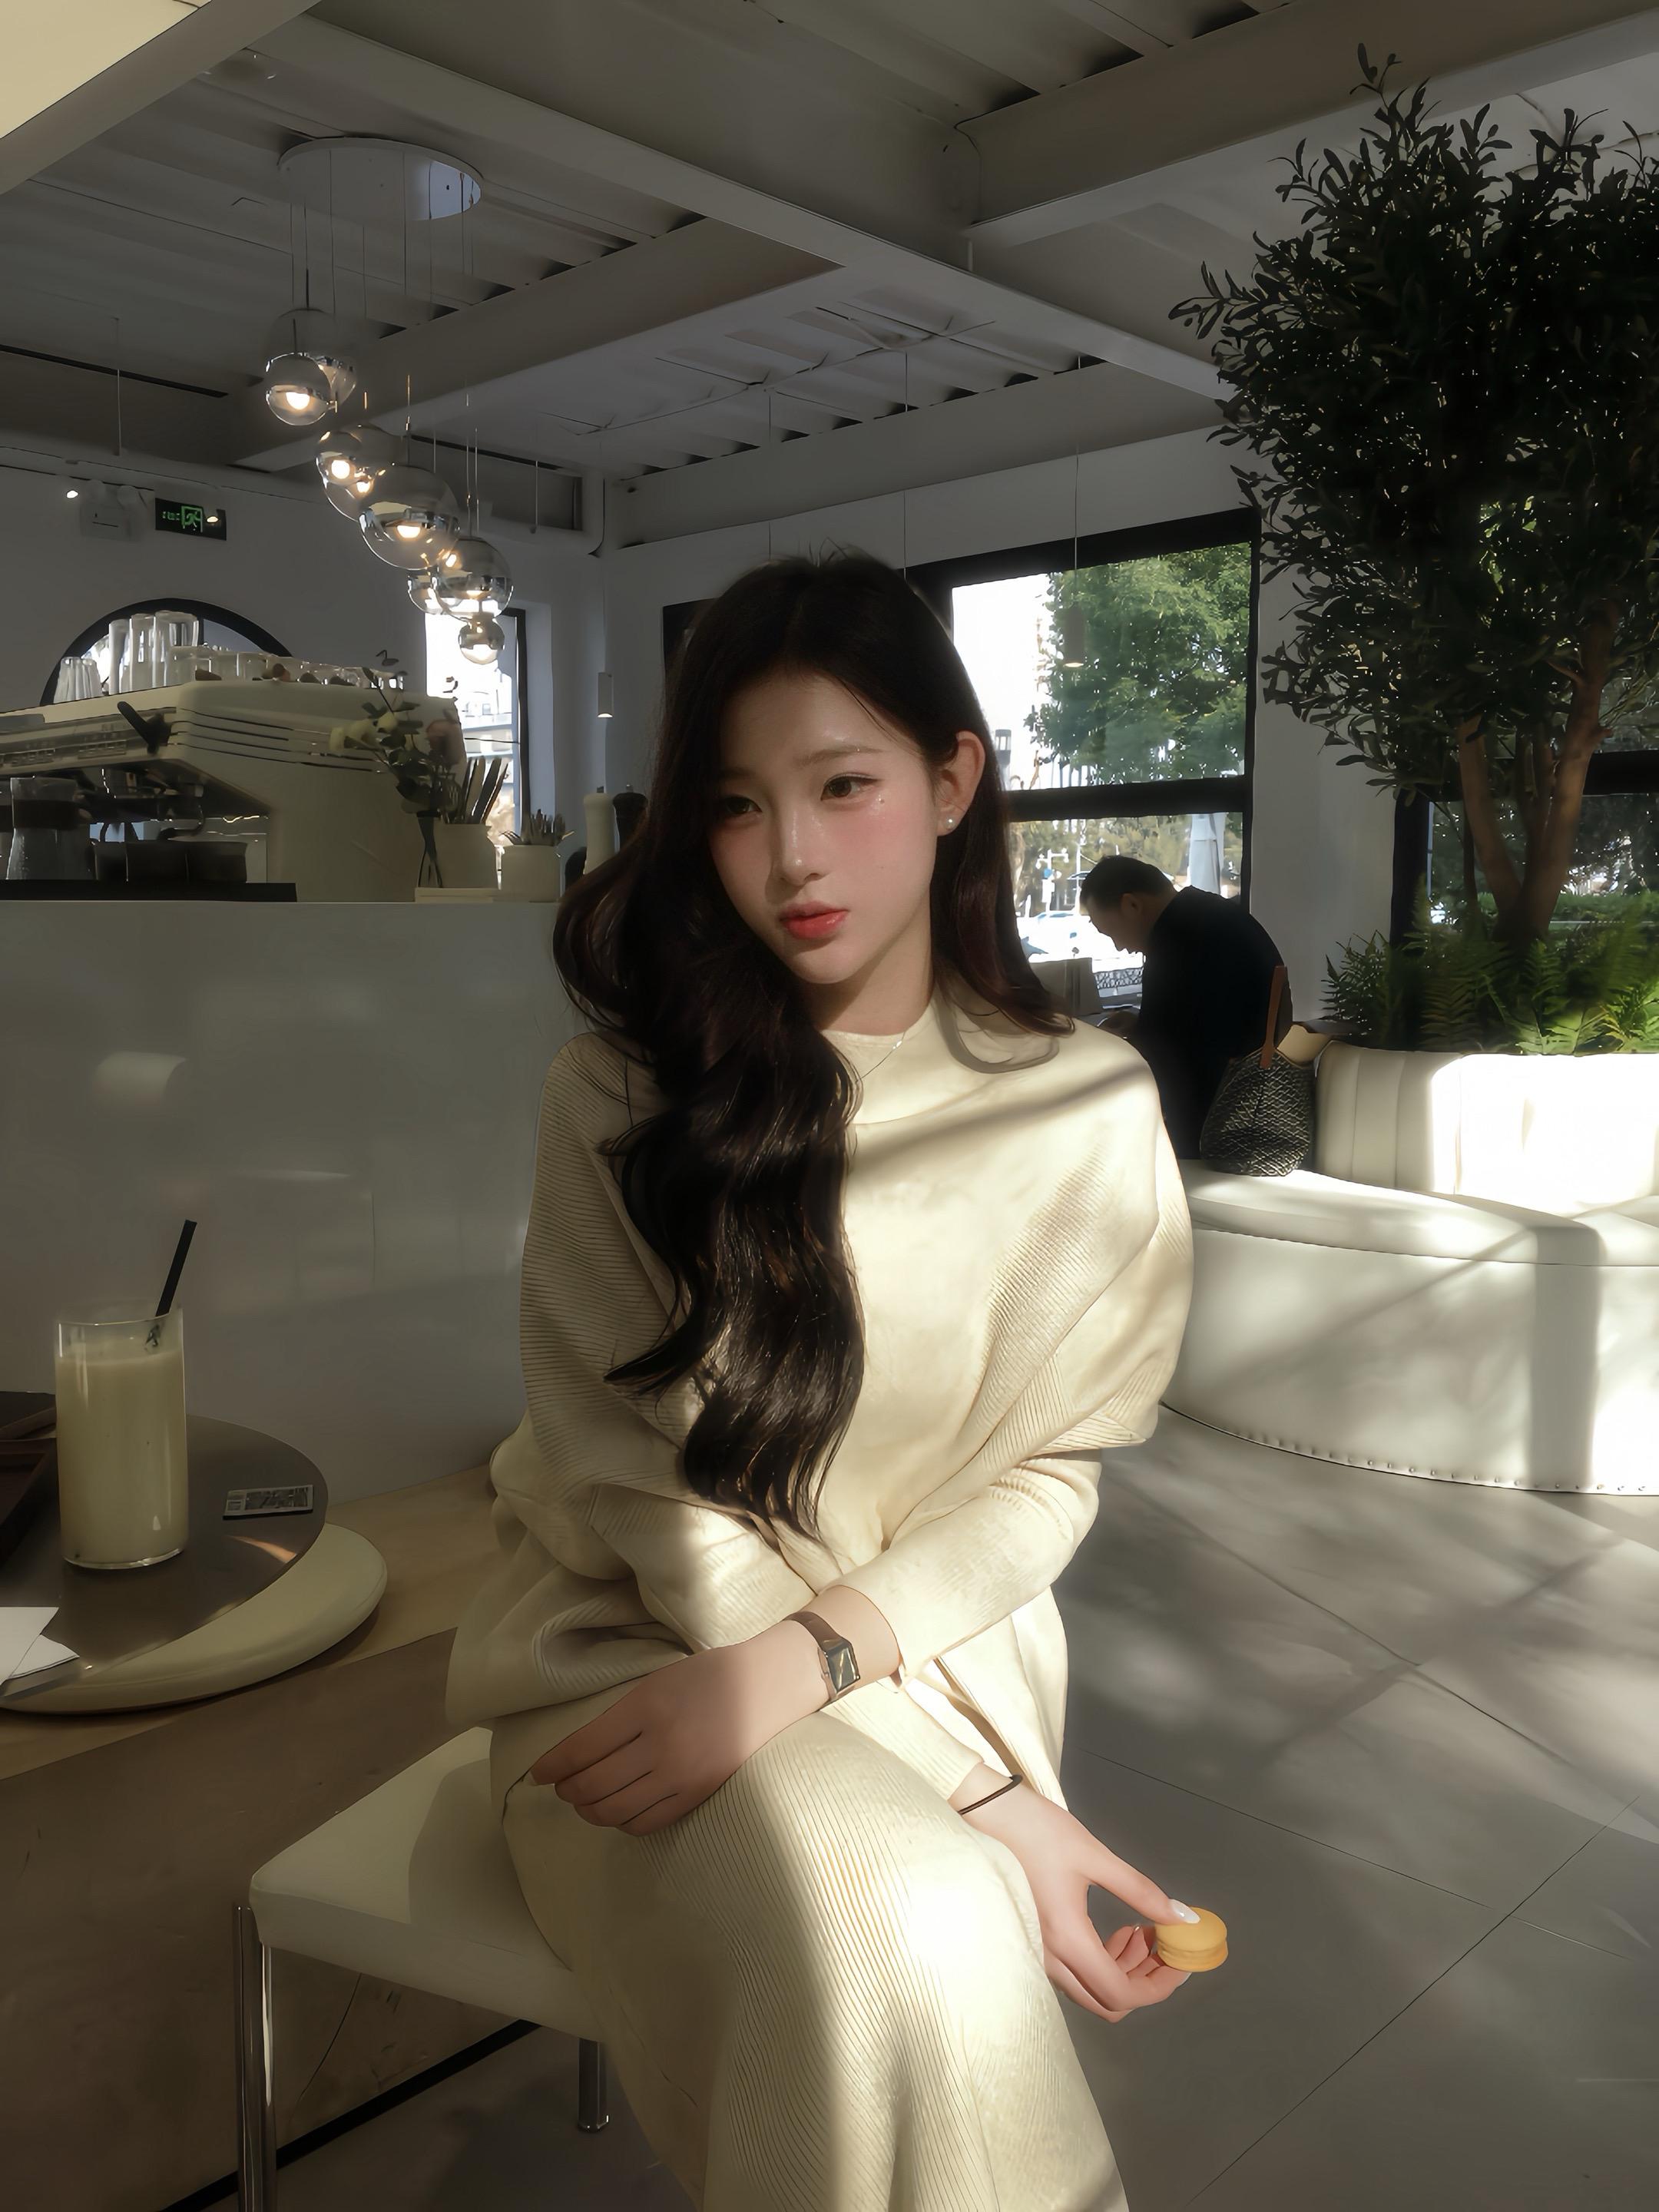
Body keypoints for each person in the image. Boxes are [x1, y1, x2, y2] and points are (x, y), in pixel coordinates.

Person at [445, 552, 1197, 2212]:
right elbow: (634, 1488)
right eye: (734, 805)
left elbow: (1047, 1481)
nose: (788, 857)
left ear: (953, 779)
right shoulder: (620, 1100)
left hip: (933, 1662)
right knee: (906, 1924)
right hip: (635, 1661)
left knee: (925, 1937)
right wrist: (967, 1793)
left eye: (843, 785)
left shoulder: (1083, 1105)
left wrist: (917, 1735)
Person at [1081, 856, 1286, 1159]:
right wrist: (1139, 1024)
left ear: (1132, 905)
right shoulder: (1213, 914)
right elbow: (1201, 1020)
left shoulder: (1175, 941)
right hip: (1256, 1106)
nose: (1119, 947)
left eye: (1111, 933)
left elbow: (1162, 1055)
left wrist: (1099, 1044)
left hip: (1214, 1127)